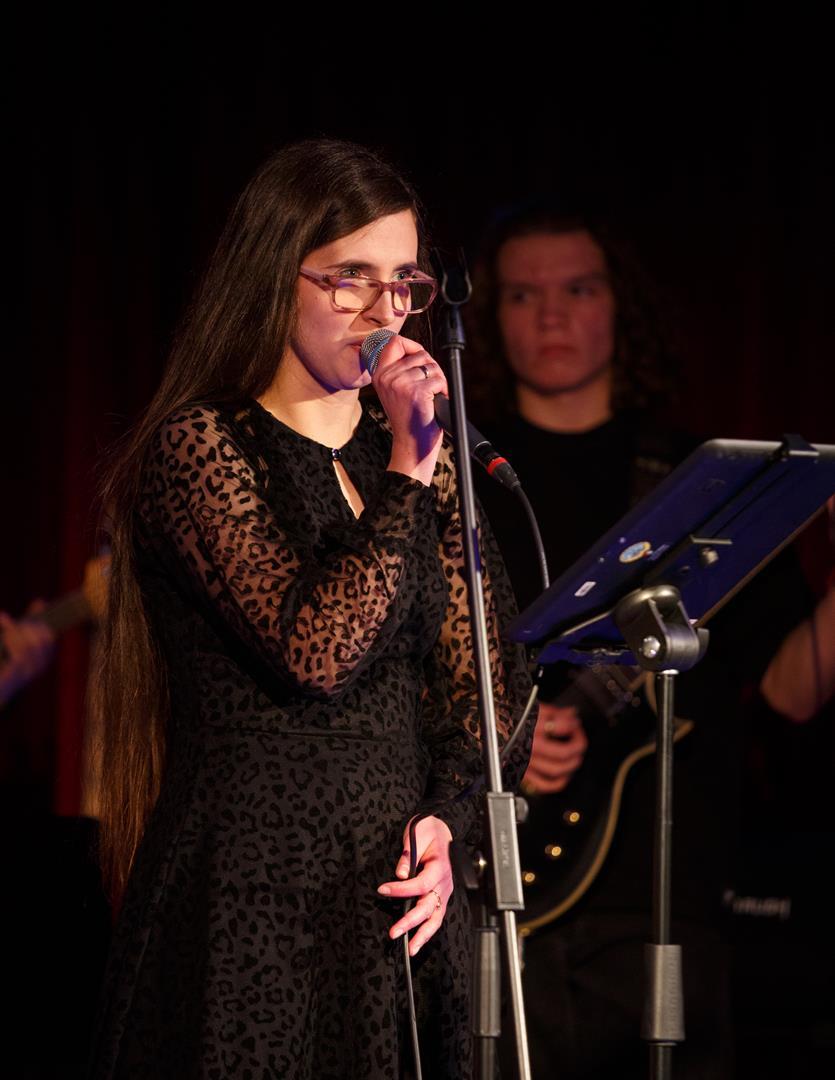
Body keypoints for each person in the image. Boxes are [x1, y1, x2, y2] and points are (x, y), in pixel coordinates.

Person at [88, 140, 531, 1078]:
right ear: (273, 275)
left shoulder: (424, 458)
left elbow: (492, 692)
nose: (385, 312)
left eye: (403, 282)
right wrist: (410, 469)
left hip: (396, 909)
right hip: (250, 898)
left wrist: (447, 822)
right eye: (350, 279)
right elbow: (316, 651)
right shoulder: (203, 446)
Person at [466, 204, 814, 1078]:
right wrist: (495, 735)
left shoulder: (707, 481)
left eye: (577, 289)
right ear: (491, 317)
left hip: (662, 903)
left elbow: (791, 691)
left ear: (620, 305)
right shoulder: (459, 479)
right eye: (522, 294)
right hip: (490, 896)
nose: (551, 315)